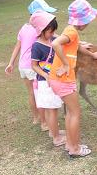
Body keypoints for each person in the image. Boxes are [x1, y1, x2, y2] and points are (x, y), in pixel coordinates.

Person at [49, 0, 97, 158]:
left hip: (57, 78)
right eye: (88, 20)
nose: (89, 23)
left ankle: (70, 143)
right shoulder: (72, 32)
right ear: (82, 22)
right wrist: (67, 65)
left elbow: (76, 46)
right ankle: (74, 149)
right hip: (63, 79)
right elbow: (56, 44)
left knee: (70, 113)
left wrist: (92, 55)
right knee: (75, 113)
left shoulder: (70, 30)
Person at [5, 0, 57, 130]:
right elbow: (58, 37)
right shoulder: (39, 29)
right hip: (34, 66)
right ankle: (44, 123)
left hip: (23, 66)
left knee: (31, 94)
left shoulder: (23, 28)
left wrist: (11, 63)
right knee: (40, 94)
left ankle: (36, 118)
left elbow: (18, 46)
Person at [30, 11, 66, 146]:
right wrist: (46, 75)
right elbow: (33, 65)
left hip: (54, 80)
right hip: (46, 83)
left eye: (53, 31)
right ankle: (56, 138)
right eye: (50, 31)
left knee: (54, 109)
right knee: (51, 111)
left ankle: (54, 131)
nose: (52, 34)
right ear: (42, 30)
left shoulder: (52, 40)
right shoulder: (37, 46)